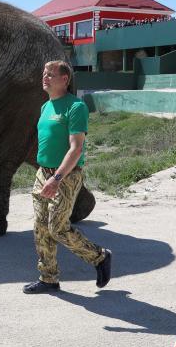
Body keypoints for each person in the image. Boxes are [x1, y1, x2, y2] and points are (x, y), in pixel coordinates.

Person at [24, 60, 111, 294]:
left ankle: (99, 257)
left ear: (65, 79)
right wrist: (45, 173)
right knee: (41, 228)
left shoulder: (76, 107)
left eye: (51, 74)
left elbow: (76, 149)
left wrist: (57, 178)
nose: (45, 77)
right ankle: (48, 278)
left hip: (66, 176)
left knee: (58, 228)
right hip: (43, 173)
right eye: (44, 73)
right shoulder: (46, 107)